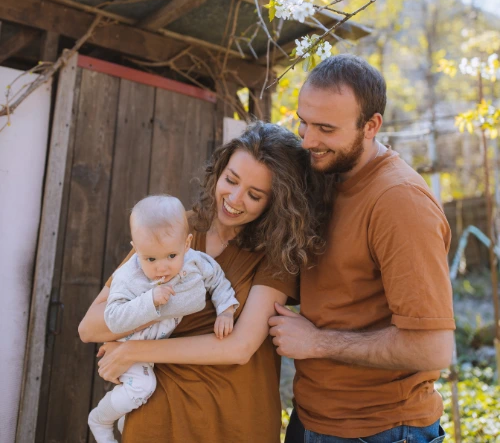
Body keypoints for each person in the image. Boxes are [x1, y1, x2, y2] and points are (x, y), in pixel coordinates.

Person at [79, 121, 324, 443]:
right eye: (231, 180)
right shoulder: (176, 230)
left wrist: (134, 350)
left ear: (275, 201)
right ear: (219, 171)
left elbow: (239, 347)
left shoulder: (276, 254)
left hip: (233, 418)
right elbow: (91, 327)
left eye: (254, 194)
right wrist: (153, 305)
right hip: (157, 414)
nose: (234, 199)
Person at [269, 54, 456, 443]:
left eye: (325, 128)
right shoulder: (328, 173)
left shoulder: (399, 201)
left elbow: (433, 348)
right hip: (313, 417)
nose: (307, 140)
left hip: (381, 430)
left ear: (371, 126)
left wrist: (316, 341)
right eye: (302, 122)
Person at [88, 195, 239, 443]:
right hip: (130, 343)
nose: (162, 267)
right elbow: (113, 318)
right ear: (135, 250)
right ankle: (101, 420)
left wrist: (226, 310)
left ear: (187, 243)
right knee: (142, 388)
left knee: (136, 399)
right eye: (151, 259)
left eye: (171, 256)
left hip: (153, 348)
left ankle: (124, 421)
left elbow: (218, 281)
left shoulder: (195, 261)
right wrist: (149, 301)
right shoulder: (128, 276)